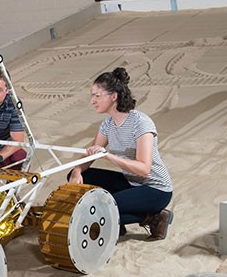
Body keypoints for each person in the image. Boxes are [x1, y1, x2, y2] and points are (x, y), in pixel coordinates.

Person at [67, 67, 173, 241]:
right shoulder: (108, 124)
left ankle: (154, 218)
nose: (92, 101)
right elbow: (92, 153)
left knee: (103, 207)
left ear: (113, 96)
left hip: (155, 188)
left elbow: (144, 169)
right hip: (131, 182)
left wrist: (109, 156)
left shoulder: (141, 123)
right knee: (77, 176)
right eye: (92, 96)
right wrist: (77, 170)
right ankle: (117, 221)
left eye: (97, 96)